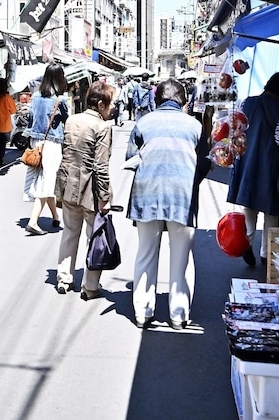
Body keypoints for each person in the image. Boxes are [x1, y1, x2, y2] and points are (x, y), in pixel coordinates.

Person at [126, 78, 202, 330]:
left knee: (146, 253)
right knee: (181, 258)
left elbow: (130, 157)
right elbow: (204, 163)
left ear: (157, 99)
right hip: (182, 196)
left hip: (146, 195)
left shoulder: (143, 122)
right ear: (183, 100)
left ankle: (142, 312)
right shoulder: (195, 126)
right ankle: (179, 315)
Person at [227, 71, 279, 267]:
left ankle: (248, 242)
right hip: (270, 166)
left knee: (250, 206)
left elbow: (237, 130)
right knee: (271, 212)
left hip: (248, 162)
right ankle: (268, 254)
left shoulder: (247, 103)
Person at [54, 81, 114, 300]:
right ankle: (90, 285)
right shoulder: (103, 127)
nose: (112, 108)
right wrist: (105, 196)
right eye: (110, 104)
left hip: (68, 181)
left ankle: (63, 278)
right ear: (100, 104)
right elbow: (101, 165)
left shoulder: (72, 119)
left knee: (70, 231)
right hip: (91, 188)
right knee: (93, 236)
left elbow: (66, 150)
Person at [22, 63, 69, 236]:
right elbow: (67, 121)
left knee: (44, 179)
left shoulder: (35, 97)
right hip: (52, 144)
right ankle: (33, 221)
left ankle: (56, 216)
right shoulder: (60, 100)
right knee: (47, 181)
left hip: (36, 141)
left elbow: (30, 120)